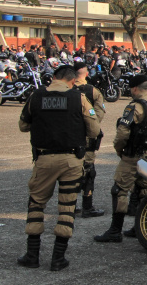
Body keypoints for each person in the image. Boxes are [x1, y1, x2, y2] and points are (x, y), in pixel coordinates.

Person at [17, 65, 100, 271]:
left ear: (53, 78)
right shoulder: (79, 98)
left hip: (44, 159)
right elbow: (94, 129)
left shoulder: (35, 96)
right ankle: (57, 258)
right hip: (71, 160)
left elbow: (23, 125)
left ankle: (32, 255)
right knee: (67, 207)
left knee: (36, 204)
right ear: (72, 81)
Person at [94, 75, 147, 243]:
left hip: (133, 155)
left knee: (119, 190)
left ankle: (115, 230)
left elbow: (123, 132)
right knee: (143, 191)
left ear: (134, 89)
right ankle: (139, 227)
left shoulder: (134, 107)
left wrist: (119, 150)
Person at [72, 62, 106, 218]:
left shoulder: (66, 90)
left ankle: (69, 205)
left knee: (70, 171)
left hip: (69, 137)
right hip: (87, 138)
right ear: (86, 74)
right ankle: (87, 206)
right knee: (88, 171)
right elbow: (98, 115)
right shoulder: (93, 91)